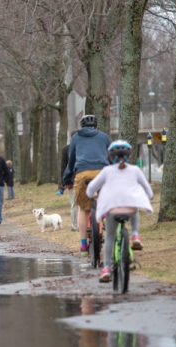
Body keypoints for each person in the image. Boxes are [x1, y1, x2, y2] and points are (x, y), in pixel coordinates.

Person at [86, 140, 153, 282]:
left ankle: (106, 269)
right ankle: (135, 235)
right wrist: (147, 198)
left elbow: (91, 188)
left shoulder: (107, 171)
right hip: (129, 210)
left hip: (113, 210)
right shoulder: (135, 170)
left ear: (110, 156)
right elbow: (148, 190)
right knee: (134, 208)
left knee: (110, 237)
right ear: (129, 155)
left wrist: (92, 195)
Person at [62, 114, 111, 257]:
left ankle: (83, 244)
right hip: (101, 173)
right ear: (96, 126)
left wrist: (66, 179)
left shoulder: (76, 138)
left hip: (83, 174)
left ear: (81, 126)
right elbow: (111, 155)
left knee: (83, 209)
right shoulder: (104, 137)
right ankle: (100, 235)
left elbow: (71, 161)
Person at [59, 136, 79, 231]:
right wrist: (64, 183)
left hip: (75, 180)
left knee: (75, 204)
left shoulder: (66, 149)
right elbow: (63, 167)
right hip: (73, 180)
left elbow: (63, 167)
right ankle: (76, 225)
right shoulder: (67, 149)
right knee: (76, 203)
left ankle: (76, 225)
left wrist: (63, 183)